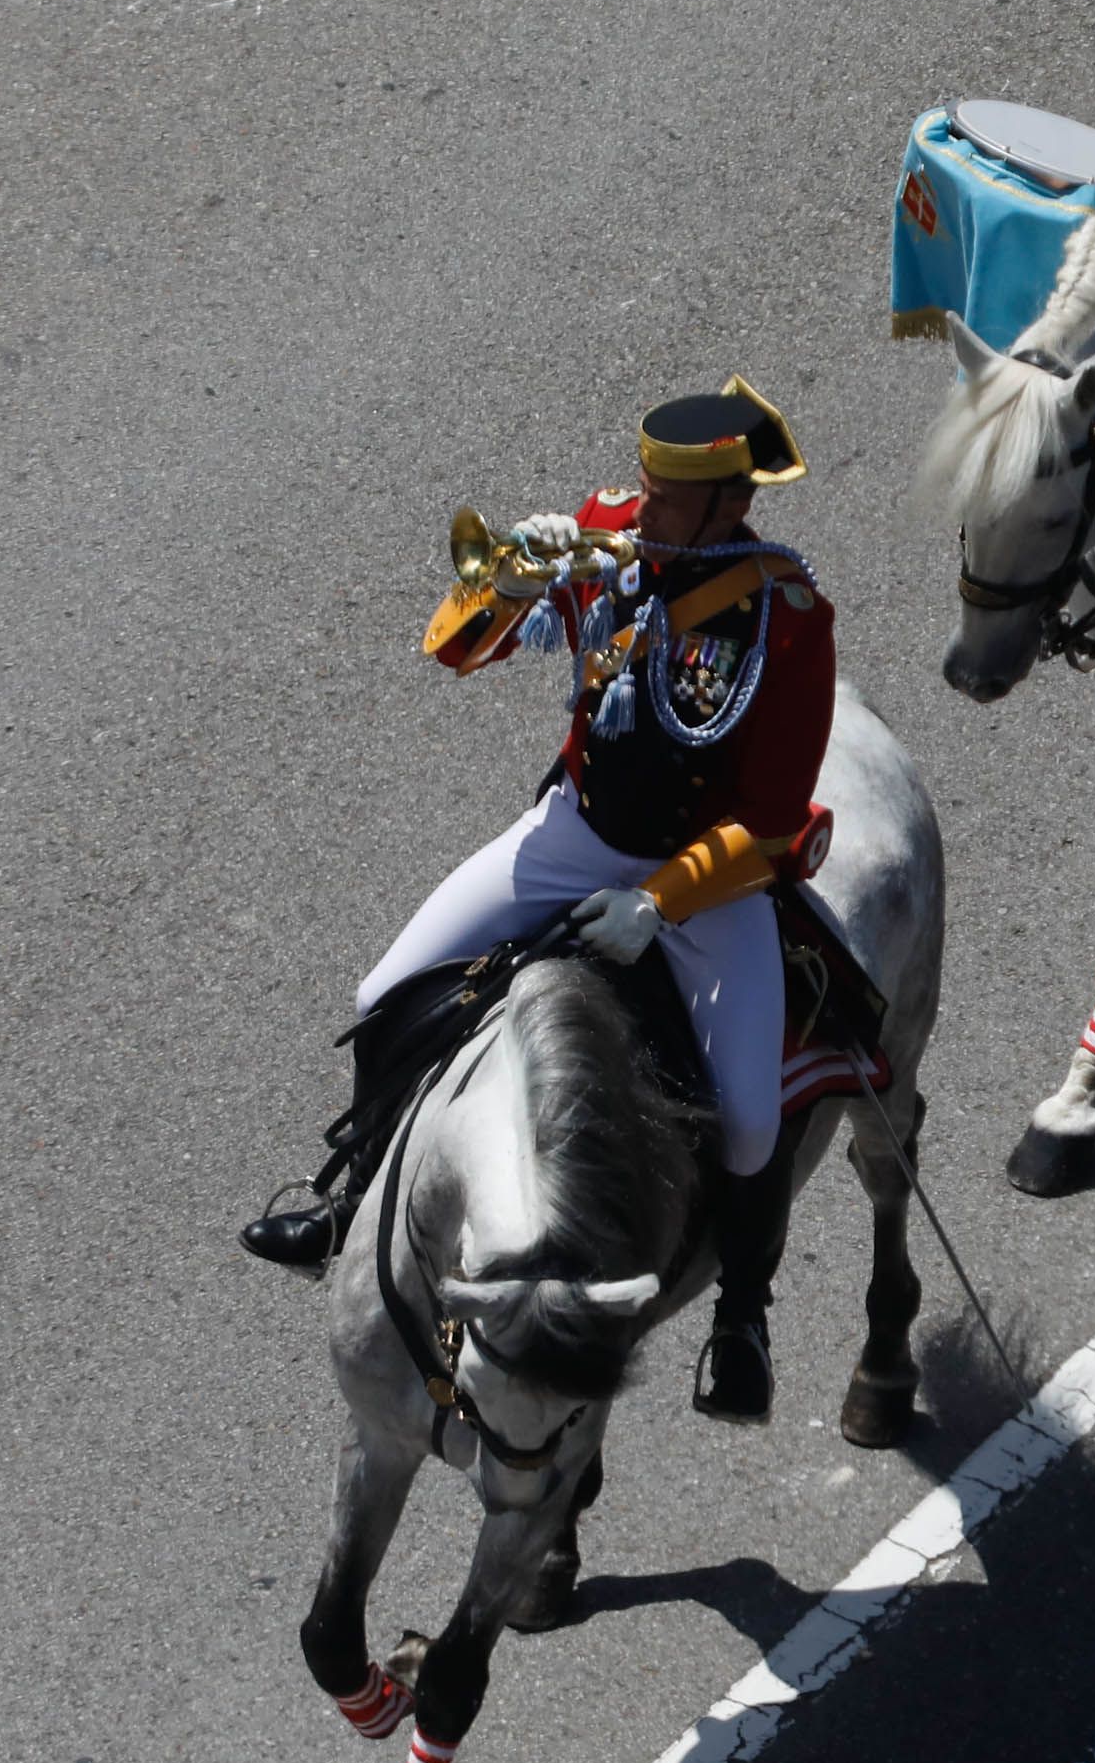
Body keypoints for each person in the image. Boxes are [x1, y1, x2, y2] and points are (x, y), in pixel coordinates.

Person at [241, 383, 833, 1423]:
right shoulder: (609, 536)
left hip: (698, 882)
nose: (640, 512)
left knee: (745, 1120)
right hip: (578, 834)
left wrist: (657, 904)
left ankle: (742, 1313)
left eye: (664, 501)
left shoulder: (785, 622)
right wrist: (512, 581)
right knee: (390, 988)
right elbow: (455, 651)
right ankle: (347, 1195)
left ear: (727, 509)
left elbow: (776, 823)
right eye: (643, 490)